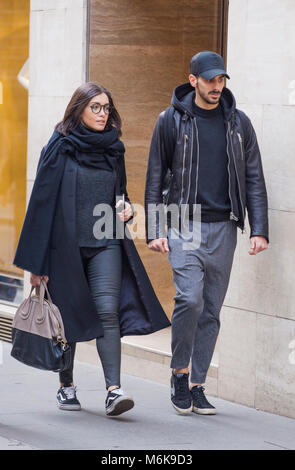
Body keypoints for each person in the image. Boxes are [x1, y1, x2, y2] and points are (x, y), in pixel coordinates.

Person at [13, 82, 170, 417]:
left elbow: (120, 195)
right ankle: (66, 384)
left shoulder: (113, 149)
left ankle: (114, 390)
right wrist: (35, 264)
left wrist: (127, 208)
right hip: (64, 247)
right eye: (96, 107)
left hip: (106, 241)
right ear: (79, 110)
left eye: (106, 107)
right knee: (67, 316)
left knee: (107, 312)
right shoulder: (59, 147)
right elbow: (41, 206)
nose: (103, 114)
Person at [145, 51, 268, 415]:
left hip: (225, 225)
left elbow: (254, 179)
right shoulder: (170, 121)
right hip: (185, 222)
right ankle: (179, 374)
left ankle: (197, 384)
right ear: (193, 79)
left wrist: (258, 228)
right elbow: (155, 177)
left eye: (221, 80)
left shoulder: (238, 123)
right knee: (190, 300)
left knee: (212, 310)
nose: (217, 87)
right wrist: (155, 229)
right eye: (210, 80)